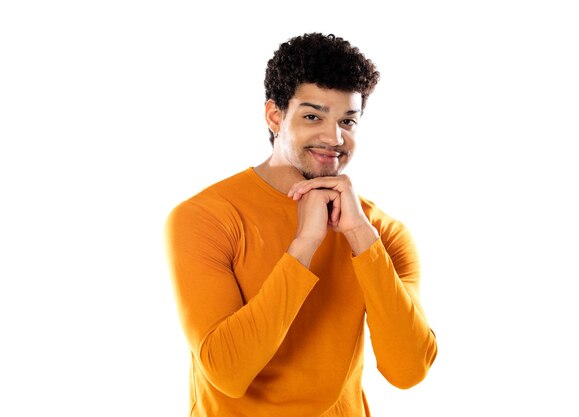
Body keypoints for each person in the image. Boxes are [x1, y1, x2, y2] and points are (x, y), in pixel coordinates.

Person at [165, 32, 437, 417]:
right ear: (275, 115)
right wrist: (305, 244)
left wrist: (361, 238)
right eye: (313, 116)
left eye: (348, 120)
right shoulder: (206, 217)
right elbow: (226, 371)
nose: (334, 137)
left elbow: (408, 370)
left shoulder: (382, 234)